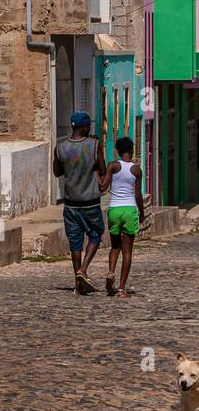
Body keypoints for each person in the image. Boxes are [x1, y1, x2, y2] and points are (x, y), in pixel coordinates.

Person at [52, 111, 107, 295]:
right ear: (84, 127)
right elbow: (103, 168)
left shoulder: (60, 148)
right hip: (90, 202)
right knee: (96, 233)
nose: (89, 128)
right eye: (88, 125)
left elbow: (57, 172)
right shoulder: (94, 145)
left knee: (75, 243)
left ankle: (78, 282)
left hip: (70, 203)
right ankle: (83, 269)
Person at [99, 136, 145, 297]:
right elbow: (138, 195)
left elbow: (103, 186)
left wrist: (97, 174)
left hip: (114, 209)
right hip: (129, 209)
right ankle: (121, 288)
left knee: (115, 246)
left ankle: (111, 272)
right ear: (131, 151)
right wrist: (142, 213)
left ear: (118, 151)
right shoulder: (136, 170)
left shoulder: (112, 166)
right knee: (127, 251)